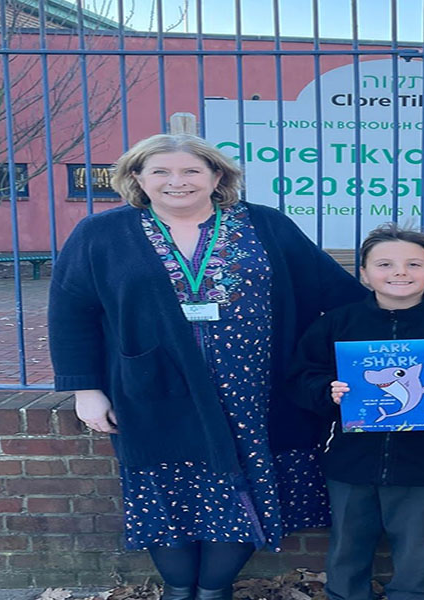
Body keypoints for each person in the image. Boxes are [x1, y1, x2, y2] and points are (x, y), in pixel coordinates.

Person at [47, 133, 367, 600]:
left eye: (192, 171)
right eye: (160, 171)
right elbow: (71, 310)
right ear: (136, 178)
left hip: (256, 389)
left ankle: (215, 589)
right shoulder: (101, 234)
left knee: (252, 481)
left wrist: (406, 328)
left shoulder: (266, 226)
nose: (177, 181)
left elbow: (336, 296)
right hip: (153, 389)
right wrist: (85, 389)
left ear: (218, 176)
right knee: (165, 487)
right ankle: (180, 590)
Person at [290, 224, 424, 600]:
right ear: (365, 273)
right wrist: (327, 392)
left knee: (418, 548)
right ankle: (344, 595)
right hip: (349, 457)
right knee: (347, 543)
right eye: (385, 264)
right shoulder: (336, 324)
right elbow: (301, 376)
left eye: (414, 264)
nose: (400, 273)